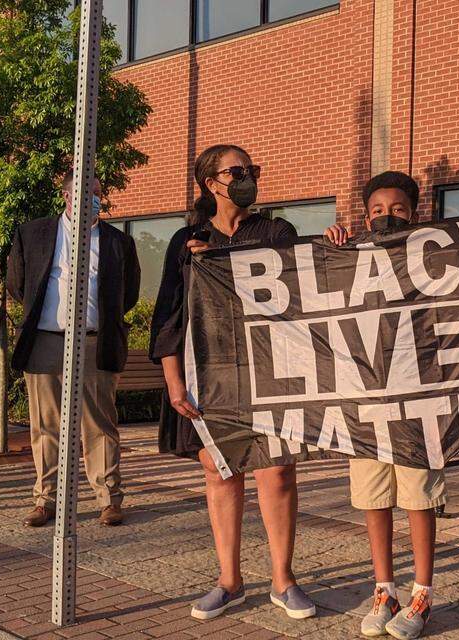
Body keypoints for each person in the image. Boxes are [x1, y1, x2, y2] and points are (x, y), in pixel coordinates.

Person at [150, 144, 317, 622]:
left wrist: (222, 260)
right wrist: (174, 383)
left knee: (276, 471)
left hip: (268, 368)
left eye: (252, 170)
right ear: (211, 183)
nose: (247, 178)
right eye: (236, 171)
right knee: (220, 472)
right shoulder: (187, 240)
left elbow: (297, 291)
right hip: (210, 373)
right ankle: (230, 581)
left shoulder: (276, 231)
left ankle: (283, 580)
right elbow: (169, 315)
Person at [323, 171, 445, 640]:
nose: (386, 216)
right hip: (366, 397)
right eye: (376, 210)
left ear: (414, 214)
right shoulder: (352, 258)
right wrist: (332, 249)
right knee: (373, 498)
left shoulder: (434, 258)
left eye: (396, 209)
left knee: (418, 497)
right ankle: (385, 590)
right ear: (365, 215)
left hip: (417, 398)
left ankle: (422, 594)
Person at [6, 170, 140, 528]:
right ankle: (45, 500)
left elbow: (128, 294)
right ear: (66, 195)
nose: (93, 198)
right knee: (45, 425)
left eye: (97, 192)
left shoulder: (118, 242)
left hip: (96, 341)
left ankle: (108, 499)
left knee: (99, 425)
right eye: (85, 191)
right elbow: (18, 285)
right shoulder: (32, 234)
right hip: (46, 340)